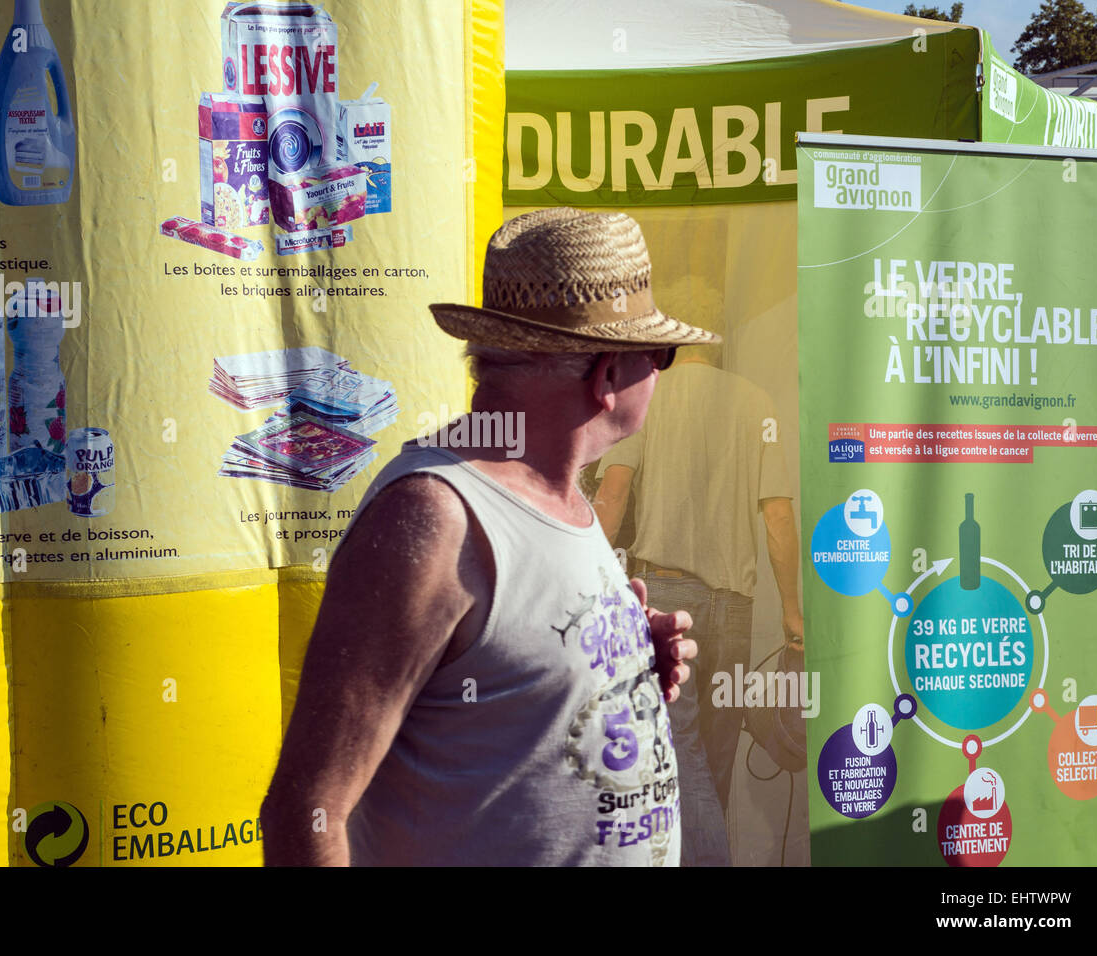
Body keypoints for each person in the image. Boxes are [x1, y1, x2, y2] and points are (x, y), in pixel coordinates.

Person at [260, 207, 720, 866]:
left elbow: (502, 687)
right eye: (661, 354)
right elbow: (305, 812)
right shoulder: (433, 516)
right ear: (608, 376)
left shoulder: (559, 500)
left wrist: (616, 666)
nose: (661, 373)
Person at [593, 345, 802, 866]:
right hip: (735, 606)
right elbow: (778, 517)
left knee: (680, 758)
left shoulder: (648, 394)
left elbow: (612, 496)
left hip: (665, 601)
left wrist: (585, 580)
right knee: (714, 763)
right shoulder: (755, 402)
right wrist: (792, 611)